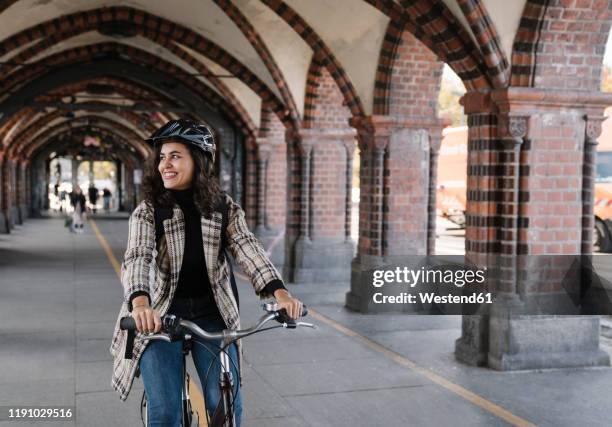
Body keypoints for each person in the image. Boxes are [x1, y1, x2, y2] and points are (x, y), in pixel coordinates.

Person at [110, 119, 304, 426]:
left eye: (175, 156)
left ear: (199, 161)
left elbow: (247, 247)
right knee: (165, 412)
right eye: (162, 157)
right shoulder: (149, 210)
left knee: (224, 404)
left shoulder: (223, 208)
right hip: (158, 315)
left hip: (212, 314)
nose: (165, 164)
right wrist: (140, 305)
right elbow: (137, 257)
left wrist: (281, 294)